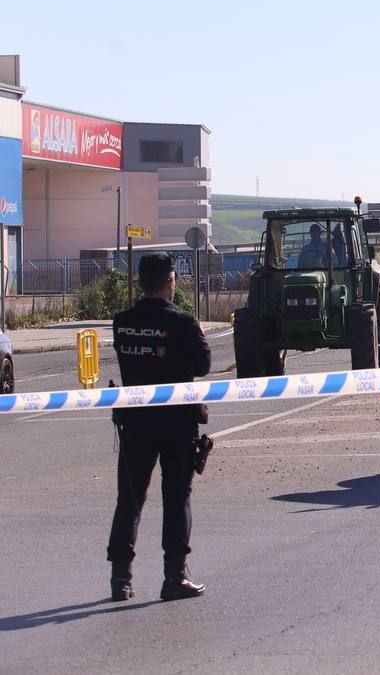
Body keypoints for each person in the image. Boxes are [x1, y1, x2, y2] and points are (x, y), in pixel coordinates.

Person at [107, 253, 212, 602]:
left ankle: (120, 579)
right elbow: (204, 365)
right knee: (177, 496)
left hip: (135, 422)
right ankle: (174, 577)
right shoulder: (183, 322)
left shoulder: (122, 322)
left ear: (140, 282)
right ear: (170, 281)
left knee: (130, 499)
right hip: (176, 422)